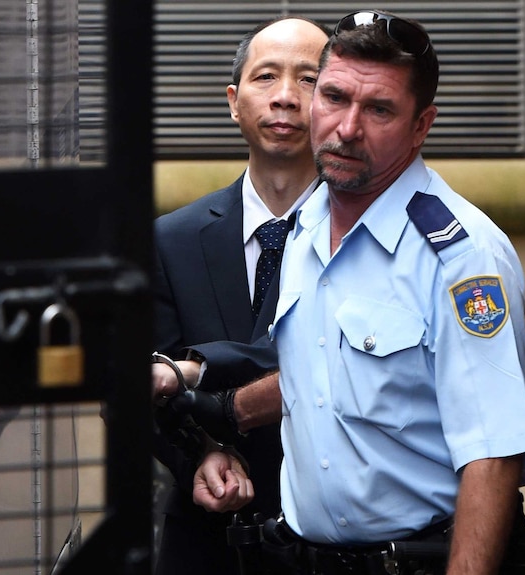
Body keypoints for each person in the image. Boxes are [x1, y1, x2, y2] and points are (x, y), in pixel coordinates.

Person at [192, 10, 525, 575]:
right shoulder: (306, 226)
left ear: (421, 125)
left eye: (378, 110)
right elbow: (327, 369)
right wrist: (219, 406)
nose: (346, 128)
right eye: (333, 97)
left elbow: (494, 455)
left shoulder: (463, 256)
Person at [149, 16, 330, 575]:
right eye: (266, 77)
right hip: (205, 541)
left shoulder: (366, 238)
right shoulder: (171, 238)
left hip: (332, 540)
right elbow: (143, 379)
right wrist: (198, 454)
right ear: (233, 101)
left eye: (308, 81)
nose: (284, 98)